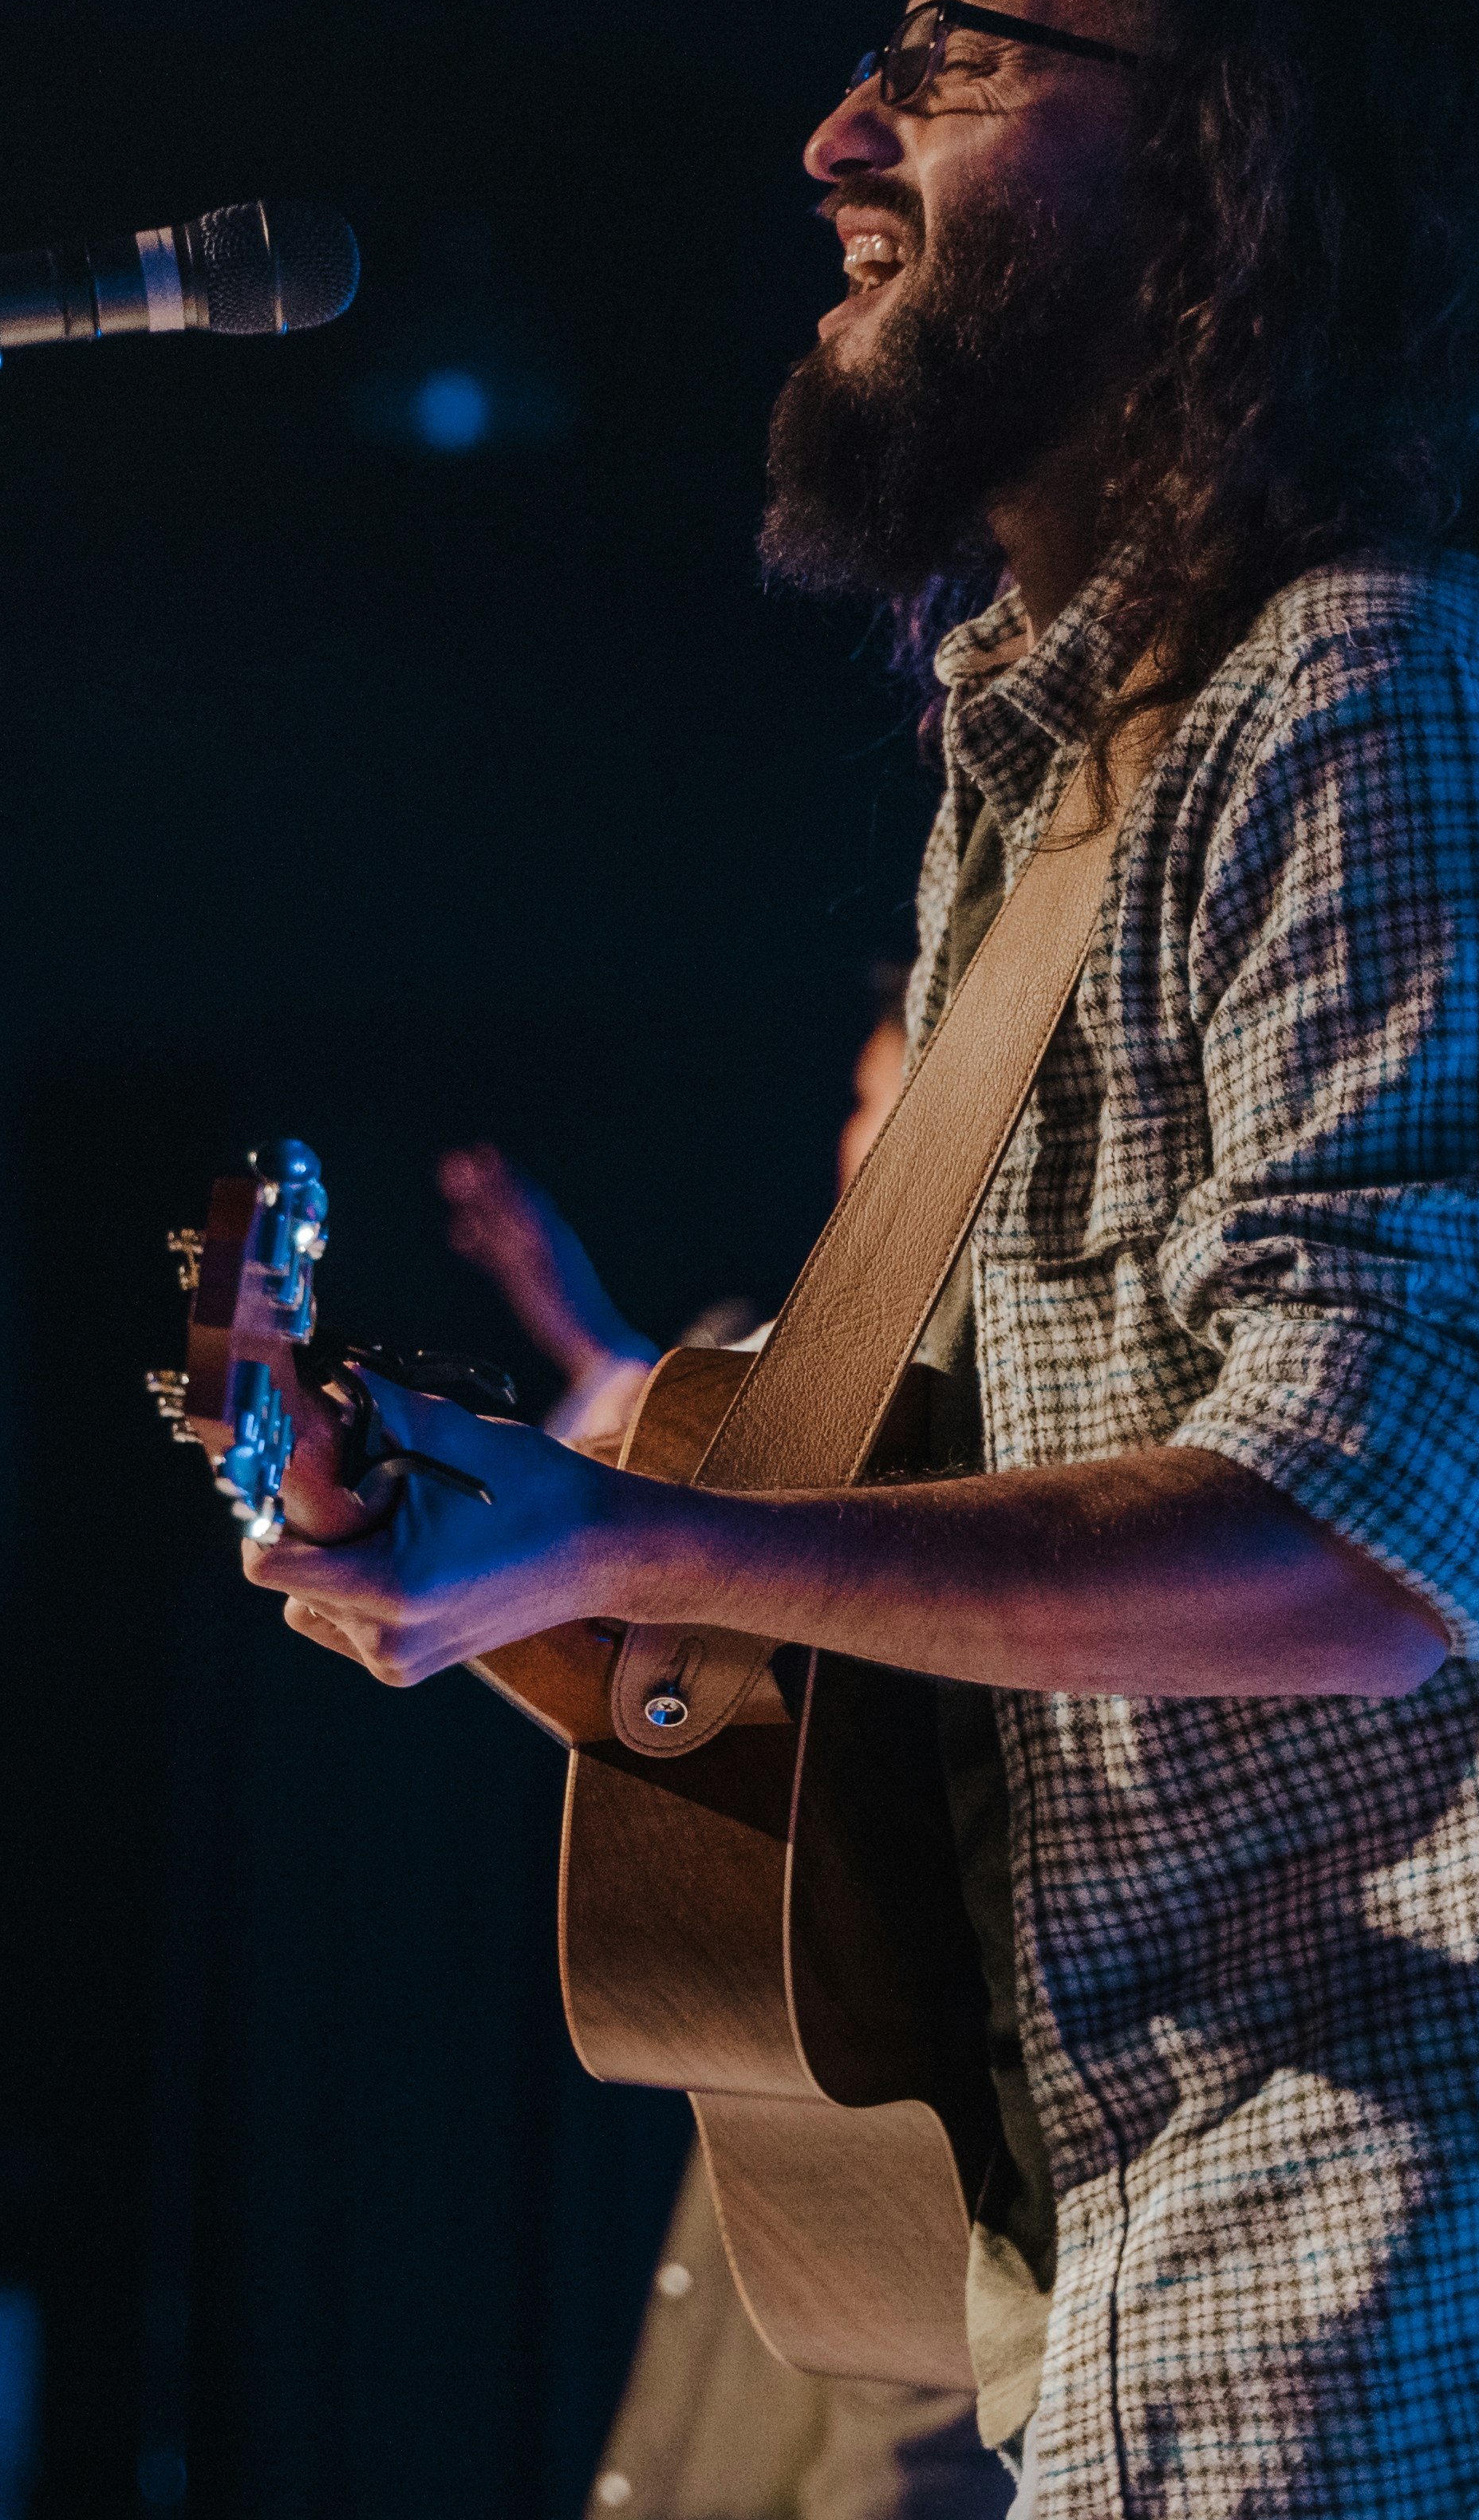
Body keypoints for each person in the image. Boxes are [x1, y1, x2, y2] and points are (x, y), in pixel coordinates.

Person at [239, 0, 1479, 2519]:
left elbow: (1349, 1553)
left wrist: (624, 1546)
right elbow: (1045, 1620)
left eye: (947, 61)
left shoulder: (1394, 696)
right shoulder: (1075, 777)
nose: (838, 138)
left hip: (1454, 2258)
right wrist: (512, 1566)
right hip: (1220, 2255)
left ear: (1237, 156)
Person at [446, 1021, 1006, 2520]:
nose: (875, 1129)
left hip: (935, 2124)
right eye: (870, 1092)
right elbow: (682, 1679)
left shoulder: (1005, 1394)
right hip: (803, 2075)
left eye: (892, 1087)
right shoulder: (830, 1383)